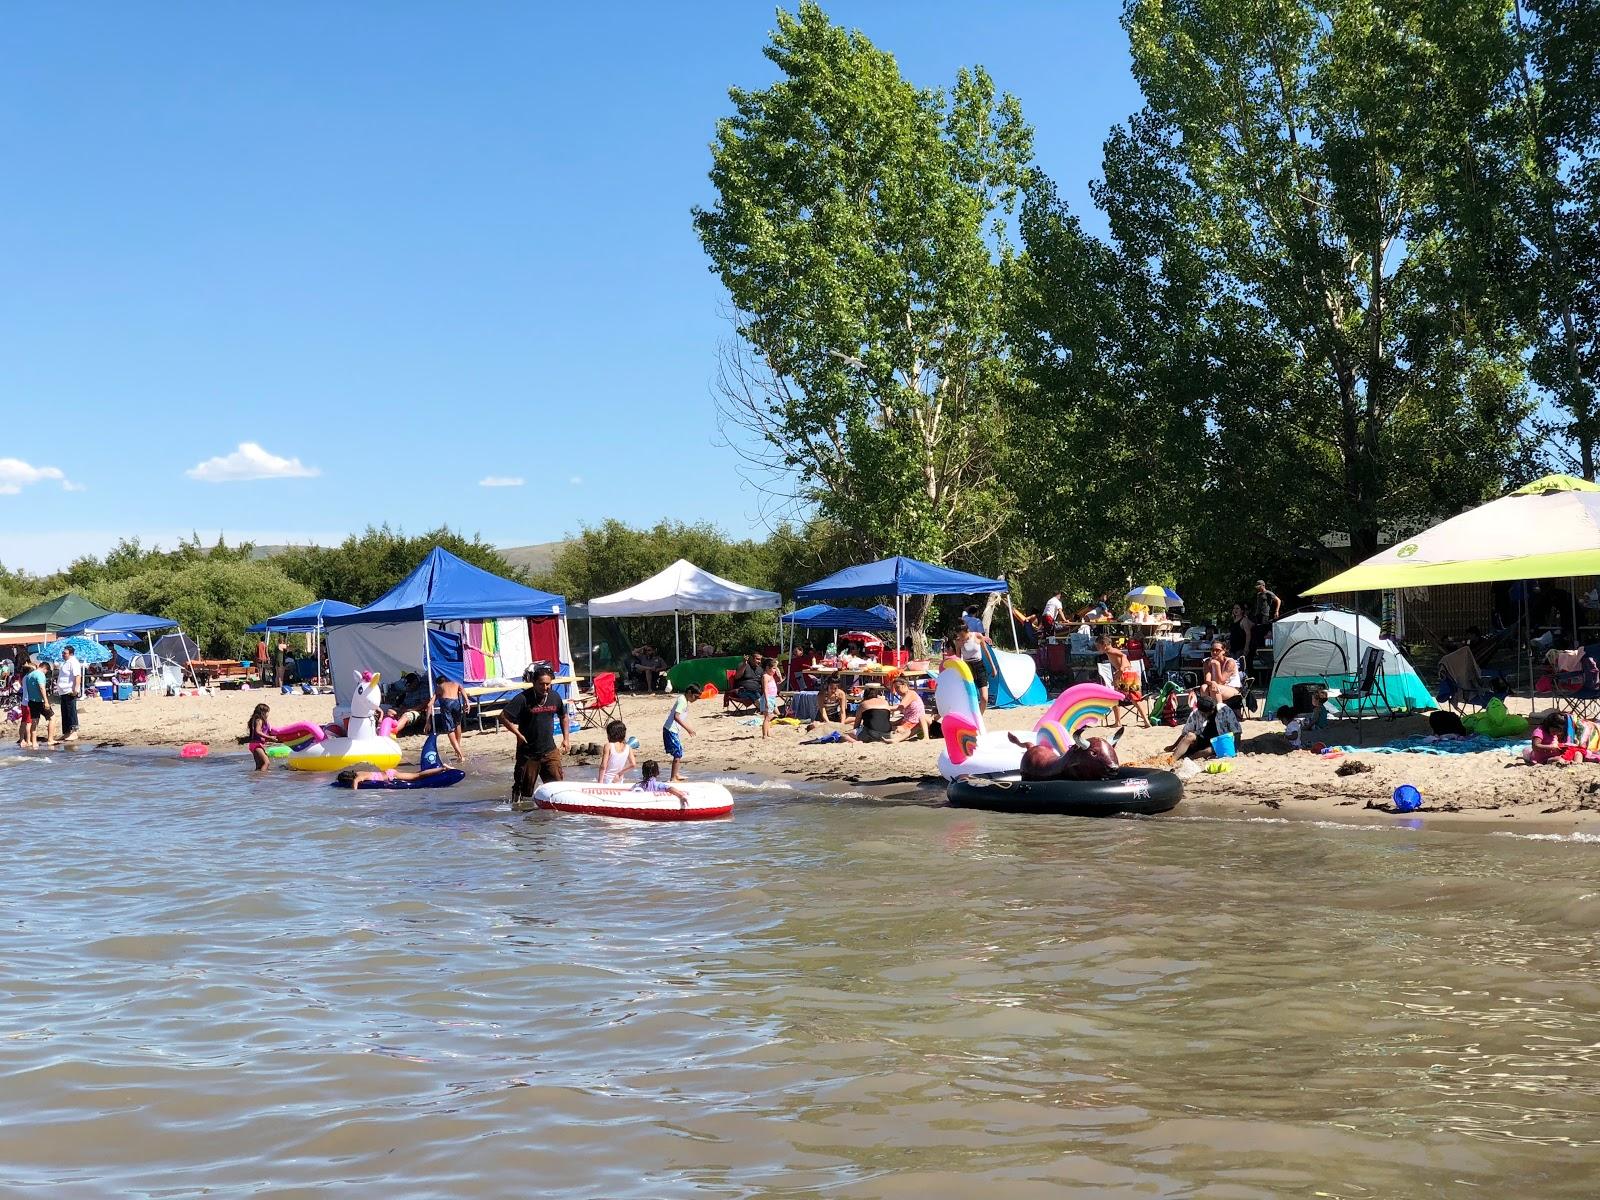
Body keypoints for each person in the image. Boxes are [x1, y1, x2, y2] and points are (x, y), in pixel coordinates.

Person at [500, 665, 570, 803]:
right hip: (528, 753)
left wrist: (566, 738)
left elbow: (564, 716)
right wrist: (517, 734)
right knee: (523, 793)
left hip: (550, 751)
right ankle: (521, 818)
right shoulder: (522, 699)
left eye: (548, 684)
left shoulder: (554, 697)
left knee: (557, 788)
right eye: (541, 684)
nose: (545, 687)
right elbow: (503, 716)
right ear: (533, 683)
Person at [1168, 694, 1240, 761]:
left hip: (1218, 740)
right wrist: (1173, 746)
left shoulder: (1224, 710)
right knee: (1190, 736)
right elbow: (1185, 733)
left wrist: (1235, 749)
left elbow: (1237, 731)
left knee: (1208, 751)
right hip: (1203, 738)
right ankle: (1172, 759)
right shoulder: (1196, 713)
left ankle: (1190, 759)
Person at [1097, 635, 1148, 727]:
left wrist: (1121, 669)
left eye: (1098, 646)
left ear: (1104, 645)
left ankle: (1118, 722)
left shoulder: (1110, 650)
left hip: (1125, 675)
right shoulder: (1112, 651)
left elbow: (1124, 656)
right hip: (1132, 673)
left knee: (1114, 698)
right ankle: (1146, 721)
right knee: (1135, 699)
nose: (1097, 648)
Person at [662, 684, 699, 782]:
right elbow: (676, 716)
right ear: (689, 693)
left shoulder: (683, 700)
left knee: (678, 752)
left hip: (672, 730)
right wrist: (688, 729)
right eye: (695, 697)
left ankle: (676, 774)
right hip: (670, 730)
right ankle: (673, 778)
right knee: (677, 753)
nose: (696, 699)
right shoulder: (682, 700)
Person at [429, 675, 468, 763]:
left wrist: (428, 721)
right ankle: (457, 748)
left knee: (449, 730)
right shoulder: (455, 683)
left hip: (447, 704)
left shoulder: (439, 687)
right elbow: (461, 689)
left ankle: (461, 755)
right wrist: (466, 701)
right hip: (457, 703)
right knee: (457, 724)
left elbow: (430, 704)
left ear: (438, 683)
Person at [336, 763, 454, 790]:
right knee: (416, 775)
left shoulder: (358, 777)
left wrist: (353, 792)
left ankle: (443, 768)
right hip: (388, 773)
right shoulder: (359, 771)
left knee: (417, 776)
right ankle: (439, 769)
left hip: (390, 775)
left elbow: (356, 781)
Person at [1199, 640, 1243, 707]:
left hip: (1232, 688)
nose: (1214, 652)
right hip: (1215, 686)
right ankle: (1206, 710)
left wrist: (1217, 665)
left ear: (1223, 651)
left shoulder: (1230, 662)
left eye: (1217, 650)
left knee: (1214, 688)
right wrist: (1212, 683)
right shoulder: (1207, 661)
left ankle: (1219, 711)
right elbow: (1207, 680)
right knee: (1203, 687)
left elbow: (1220, 682)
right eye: (1212, 650)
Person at [1248, 580, 1281, 669]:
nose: (1258, 588)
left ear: (1263, 585)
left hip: (1266, 615)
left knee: (1264, 629)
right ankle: (1258, 648)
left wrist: (1276, 611)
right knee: (1257, 630)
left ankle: (1263, 648)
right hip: (1258, 615)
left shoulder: (1268, 593)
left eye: (1259, 586)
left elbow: (1278, 600)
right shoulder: (1258, 595)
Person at [53, 645, 82, 743]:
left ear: (71, 654)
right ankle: (66, 732)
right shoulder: (65, 662)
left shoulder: (74, 662)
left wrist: (76, 689)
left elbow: (77, 676)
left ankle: (74, 732)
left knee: (71, 711)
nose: (63, 654)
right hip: (63, 691)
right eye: (63, 653)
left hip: (70, 690)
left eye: (65, 653)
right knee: (64, 712)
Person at [959, 621, 991, 711]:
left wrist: (993, 668)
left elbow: (986, 652)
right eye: (959, 635)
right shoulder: (958, 641)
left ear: (967, 631)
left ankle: (979, 717)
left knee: (984, 698)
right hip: (967, 668)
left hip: (979, 666)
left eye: (962, 635)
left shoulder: (977, 636)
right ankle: (973, 717)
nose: (961, 637)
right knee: (970, 698)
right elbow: (958, 659)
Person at [22, 658, 52, 749]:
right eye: (46, 671)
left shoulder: (29, 676)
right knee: (52, 718)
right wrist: (46, 701)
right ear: (45, 668)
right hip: (39, 701)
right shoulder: (40, 674)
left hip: (31, 701)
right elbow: (42, 688)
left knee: (34, 721)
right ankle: (51, 740)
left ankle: (34, 742)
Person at [597, 719, 636, 783]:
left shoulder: (608, 746)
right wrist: (619, 773)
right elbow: (633, 764)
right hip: (619, 780)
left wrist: (600, 782)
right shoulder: (628, 747)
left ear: (611, 734)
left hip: (607, 780)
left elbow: (603, 766)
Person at [889, 676, 928, 741]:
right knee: (889, 724)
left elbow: (901, 707)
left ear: (904, 685)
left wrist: (886, 707)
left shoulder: (911, 693)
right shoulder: (905, 696)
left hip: (914, 721)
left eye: (897, 687)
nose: (896, 690)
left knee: (889, 728)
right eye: (895, 688)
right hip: (908, 719)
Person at [246, 702, 274, 771]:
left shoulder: (256, 720)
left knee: (259, 765)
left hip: (254, 744)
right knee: (266, 762)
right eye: (267, 712)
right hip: (256, 745)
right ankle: (261, 776)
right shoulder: (259, 720)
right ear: (263, 713)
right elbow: (258, 731)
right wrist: (269, 738)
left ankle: (257, 778)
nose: (268, 714)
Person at [759, 656, 781, 739]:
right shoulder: (765, 676)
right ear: (768, 668)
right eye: (774, 668)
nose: (775, 670)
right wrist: (767, 701)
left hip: (772, 698)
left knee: (768, 717)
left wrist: (779, 675)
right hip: (767, 698)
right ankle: (765, 735)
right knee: (767, 718)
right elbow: (765, 689)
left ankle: (768, 733)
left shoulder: (771, 676)